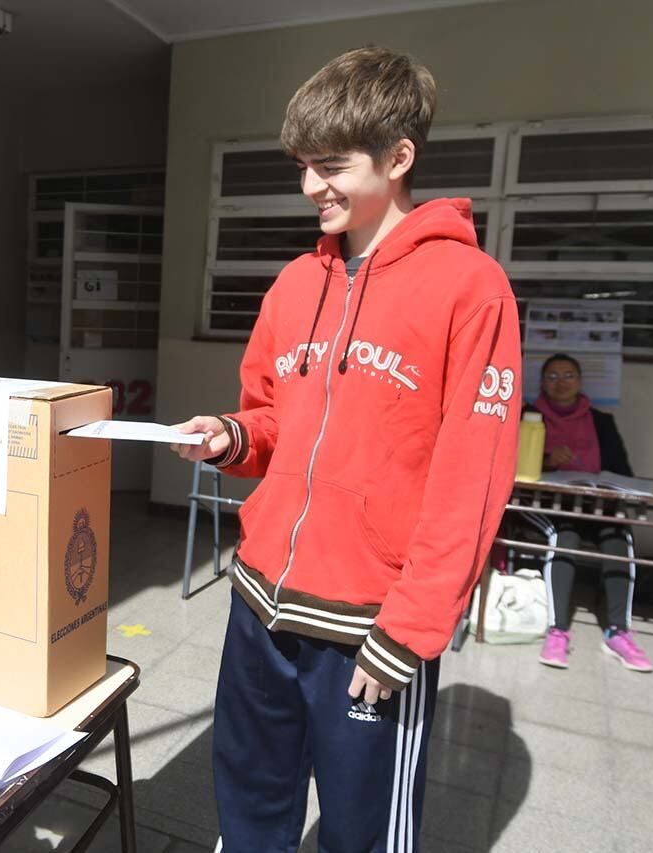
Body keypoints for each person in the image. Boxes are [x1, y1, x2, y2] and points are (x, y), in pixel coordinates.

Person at [172, 47, 519, 852]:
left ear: (399, 158)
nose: (309, 188)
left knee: (361, 835)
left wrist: (410, 630)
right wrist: (230, 436)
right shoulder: (295, 283)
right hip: (259, 604)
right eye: (301, 166)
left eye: (330, 166)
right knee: (249, 815)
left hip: (369, 627)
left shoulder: (471, 289)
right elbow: (270, 418)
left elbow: (473, 480)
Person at [529, 352, 653, 672]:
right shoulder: (529, 416)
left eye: (568, 376)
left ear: (580, 382)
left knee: (618, 536)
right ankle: (557, 630)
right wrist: (546, 460)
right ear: (542, 383)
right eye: (552, 377)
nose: (561, 383)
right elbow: (513, 466)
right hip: (544, 503)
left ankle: (618, 631)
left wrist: (607, 486)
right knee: (564, 535)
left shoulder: (601, 421)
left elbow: (623, 471)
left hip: (595, 502)